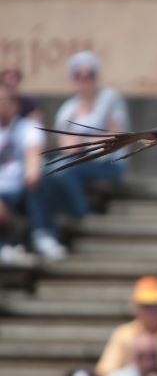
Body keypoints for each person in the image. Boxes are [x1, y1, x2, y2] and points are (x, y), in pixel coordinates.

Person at [51, 51, 130, 219]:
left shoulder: (110, 99)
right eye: (79, 75)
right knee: (49, 171)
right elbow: (64, 144)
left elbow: (117, 136)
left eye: (90, 75)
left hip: (109, 163)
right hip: (79, 160)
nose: (85, 80)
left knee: (65, 172)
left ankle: (83, 216)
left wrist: (84, 143)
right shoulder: (69, 108)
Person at [0, 84, 65, 260]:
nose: (2, 105)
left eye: (6, 101)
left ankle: (43, 235)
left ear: (15, 106)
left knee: (38, 179)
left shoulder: (26, 127)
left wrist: (32, 173)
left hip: (20, 190)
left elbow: (33, 154)